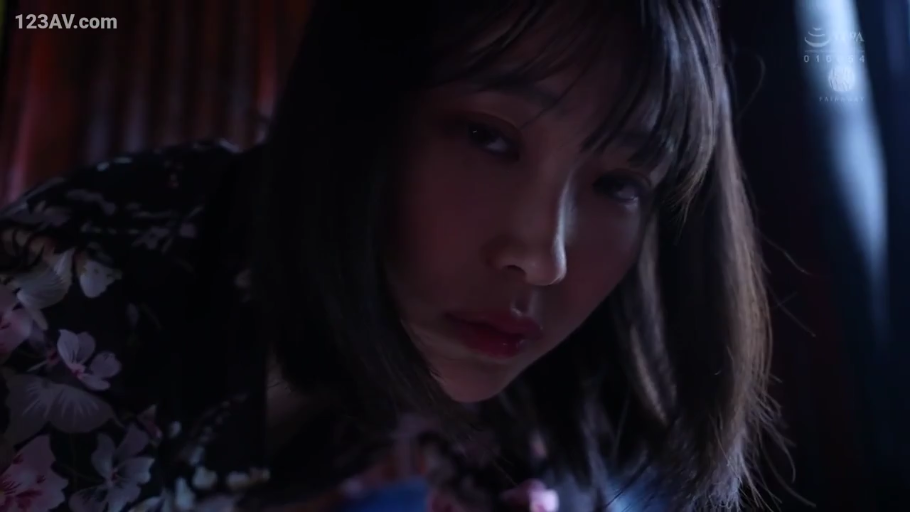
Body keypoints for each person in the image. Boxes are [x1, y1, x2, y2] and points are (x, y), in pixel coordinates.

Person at [0, 0, 779, 510]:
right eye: (487, 137)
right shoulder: (52, 322)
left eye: (618, 183)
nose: (545, 259)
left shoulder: (479, 343)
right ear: (355, 108)